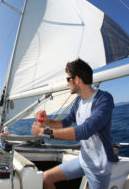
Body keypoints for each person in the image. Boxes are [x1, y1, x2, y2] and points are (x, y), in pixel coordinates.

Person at [31, 58, 118, 189]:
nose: (67, 84)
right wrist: (45, 121)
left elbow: (85, 130)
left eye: (68, 79)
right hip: (83, 160)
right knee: (45, 179)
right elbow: (65, 122)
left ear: (76, 80)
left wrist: (45, 132)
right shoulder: (78, 101)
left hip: (99, 166)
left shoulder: (104, 99)